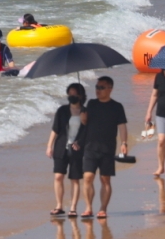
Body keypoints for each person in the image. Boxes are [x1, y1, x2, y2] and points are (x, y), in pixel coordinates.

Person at [81, 75, 127, 218]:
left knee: (105, 179)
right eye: (96, 87)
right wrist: (82, 116)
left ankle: (103, 208)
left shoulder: (117, 107)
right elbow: (84, 123)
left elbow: (122, 127)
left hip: (108, 148)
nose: (98, 90)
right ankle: (88, 207)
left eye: (101, 87)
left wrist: (124, 143)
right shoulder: (91, 104)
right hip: (90, 147)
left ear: (110, 89)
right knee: (88, 177)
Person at [48, 82, 88, 217]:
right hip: (61, 147)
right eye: (69, 93)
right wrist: (49, 146)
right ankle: (59, 205)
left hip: (77, 149)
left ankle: (73, 208)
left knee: (75, 179)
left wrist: (84, 121)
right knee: (58, 176)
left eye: (74, 93)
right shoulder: (62, 110)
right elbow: (55, 129)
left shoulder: (86, 112)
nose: (71, 96)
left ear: (81, 95)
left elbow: (89, 132)